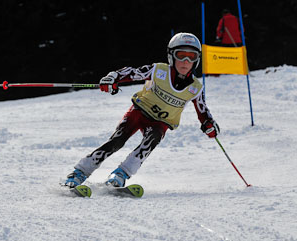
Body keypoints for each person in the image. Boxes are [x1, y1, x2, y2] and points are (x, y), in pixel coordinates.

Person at [63, 32, 220, 188]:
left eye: (191, 57)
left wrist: (209, 124)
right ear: (172, 56)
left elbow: (203, 111)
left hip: (161, 122)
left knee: (151, 141)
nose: (185, 61)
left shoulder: (196, 88)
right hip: (139, 112)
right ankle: (79, 172)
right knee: (117, 141)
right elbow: (132, 73)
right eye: (181, 55)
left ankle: (120, 174)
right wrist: (113, 78)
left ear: (197, 60)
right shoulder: (159, 70)